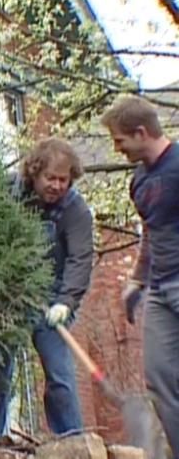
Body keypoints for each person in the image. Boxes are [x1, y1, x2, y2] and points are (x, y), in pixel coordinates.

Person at [0, 137, 93, 438]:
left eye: (63, 180)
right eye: (50, 178)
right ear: (34, 173)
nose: (56, 185)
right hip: (9, 295)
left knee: (60, 377)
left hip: (53, 298)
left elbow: (80, 259)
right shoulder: (7, 192)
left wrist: (66, 302)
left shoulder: (75, 210)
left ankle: (72, 442)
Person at [101, 96, 179, 459]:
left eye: (120, 141)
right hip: (161, 290)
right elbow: (149, 232)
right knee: (159, 377)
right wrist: (136, 280)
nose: (118, 149)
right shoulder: (139, 181)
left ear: (141, 132)